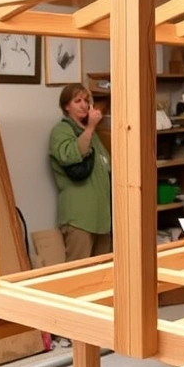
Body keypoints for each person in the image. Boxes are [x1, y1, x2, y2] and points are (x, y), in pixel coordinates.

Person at [49, 83, 112, 262]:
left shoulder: (93, 135)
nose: (84, 105)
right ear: (66, 106)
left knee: (103, 271)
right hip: (80, 219)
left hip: (101, 219)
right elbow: (71, 156)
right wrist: (91, 127)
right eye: (77, 101)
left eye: (86, 100)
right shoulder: (62, 130)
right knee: (79, 270)